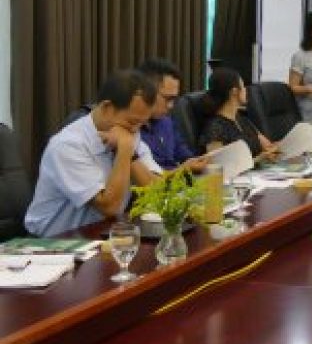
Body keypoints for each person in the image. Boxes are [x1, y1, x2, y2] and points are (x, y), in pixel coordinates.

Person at [24, 70, 162, 237]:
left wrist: (130, 154)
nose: (135, 130)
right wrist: (125, 150)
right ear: (107, 108)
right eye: (132, 122)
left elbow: (157, 192)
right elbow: (110, 207)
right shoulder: (68, 145)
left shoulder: (128, 133)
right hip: (52, 243)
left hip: (99, 235)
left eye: (141, 123)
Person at [137, 58, 207, 172]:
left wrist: (198, 162)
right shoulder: (130, 130)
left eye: (174, 99)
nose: (171, 106)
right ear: (146, 92)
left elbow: (184, 154)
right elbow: (146, 178)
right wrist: (182, 169)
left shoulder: (166, 121)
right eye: (167, 99)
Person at [198, 67, 280, 161]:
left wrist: (275, 148)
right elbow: (218, 165)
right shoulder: (214, 128)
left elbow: (267, 145)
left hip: (262, 169)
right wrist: (259, 159)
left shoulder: (242, 119)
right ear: (234, 92)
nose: (246, 90)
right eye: (243, 86)